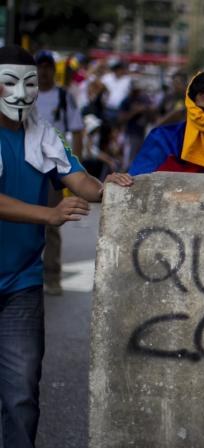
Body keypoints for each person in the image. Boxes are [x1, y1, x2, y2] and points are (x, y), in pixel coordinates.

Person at [0, 46, 133, 448]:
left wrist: (109, 186)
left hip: (20, 283)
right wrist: (49, 214)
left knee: (20, 392)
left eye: (30, 83)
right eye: (9, 83)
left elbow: (78, 180)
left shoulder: (44, 135)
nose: (20, 93)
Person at [34, 51, 85, 297]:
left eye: (47, 67)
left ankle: (52, 276)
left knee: (52, 223)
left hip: (53, 170)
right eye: (39, 67)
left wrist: (75, 170)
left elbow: (77, 130)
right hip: (25, 168)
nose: (44, 72)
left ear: (54, 70)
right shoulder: (23, 95)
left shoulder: (64, 97)